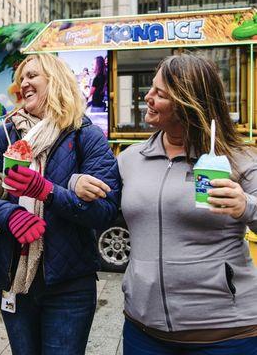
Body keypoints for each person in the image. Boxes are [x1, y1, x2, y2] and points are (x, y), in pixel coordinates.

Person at [71, 53, 257, 354]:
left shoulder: (237, 159)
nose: (148, 97)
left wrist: (244, 204)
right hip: (145, 331)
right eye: (151, 89)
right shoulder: (132, 158)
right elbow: (100, 203)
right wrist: (75, 183)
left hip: (226, 333)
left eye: (160, 93)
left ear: (187, 101)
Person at [0, 53, 120, 355]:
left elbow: (105, 212)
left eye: (32, 76)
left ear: (55, 81)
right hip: (13, 277)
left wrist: (49, 192)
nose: (23, 83)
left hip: (69, 285)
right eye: (21, 78)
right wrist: (9, 213)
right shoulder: (7, 132)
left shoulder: (85, 135)